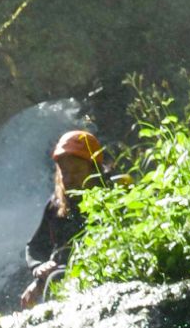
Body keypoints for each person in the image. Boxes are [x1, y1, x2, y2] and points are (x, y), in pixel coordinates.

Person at [20, 129, 122, 309]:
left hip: (103, 272)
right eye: (64, 172)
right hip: (63, 272)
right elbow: (36, 246)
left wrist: (43, 281)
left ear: (94, 169)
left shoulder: (114, 197)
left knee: (55, 278)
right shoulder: (57, 205)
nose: (68, 178)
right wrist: (39, 268)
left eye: (75, 171)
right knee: (52, 278)